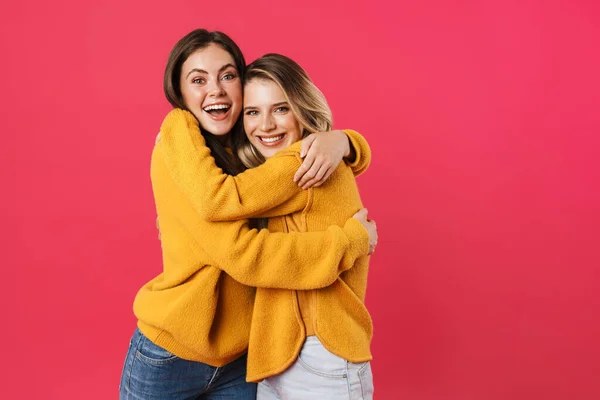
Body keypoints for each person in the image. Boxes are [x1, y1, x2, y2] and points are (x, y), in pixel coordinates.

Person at [119, 29, 376, 400]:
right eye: (198, 80)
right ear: (179, 92)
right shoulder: (180, 144)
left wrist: (346, 142)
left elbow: (294, 169)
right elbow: (242, 249)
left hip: (246, 355)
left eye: (227, 76)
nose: (216, 90)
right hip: (173, 350)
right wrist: (351, 240)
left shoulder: (252, 152)